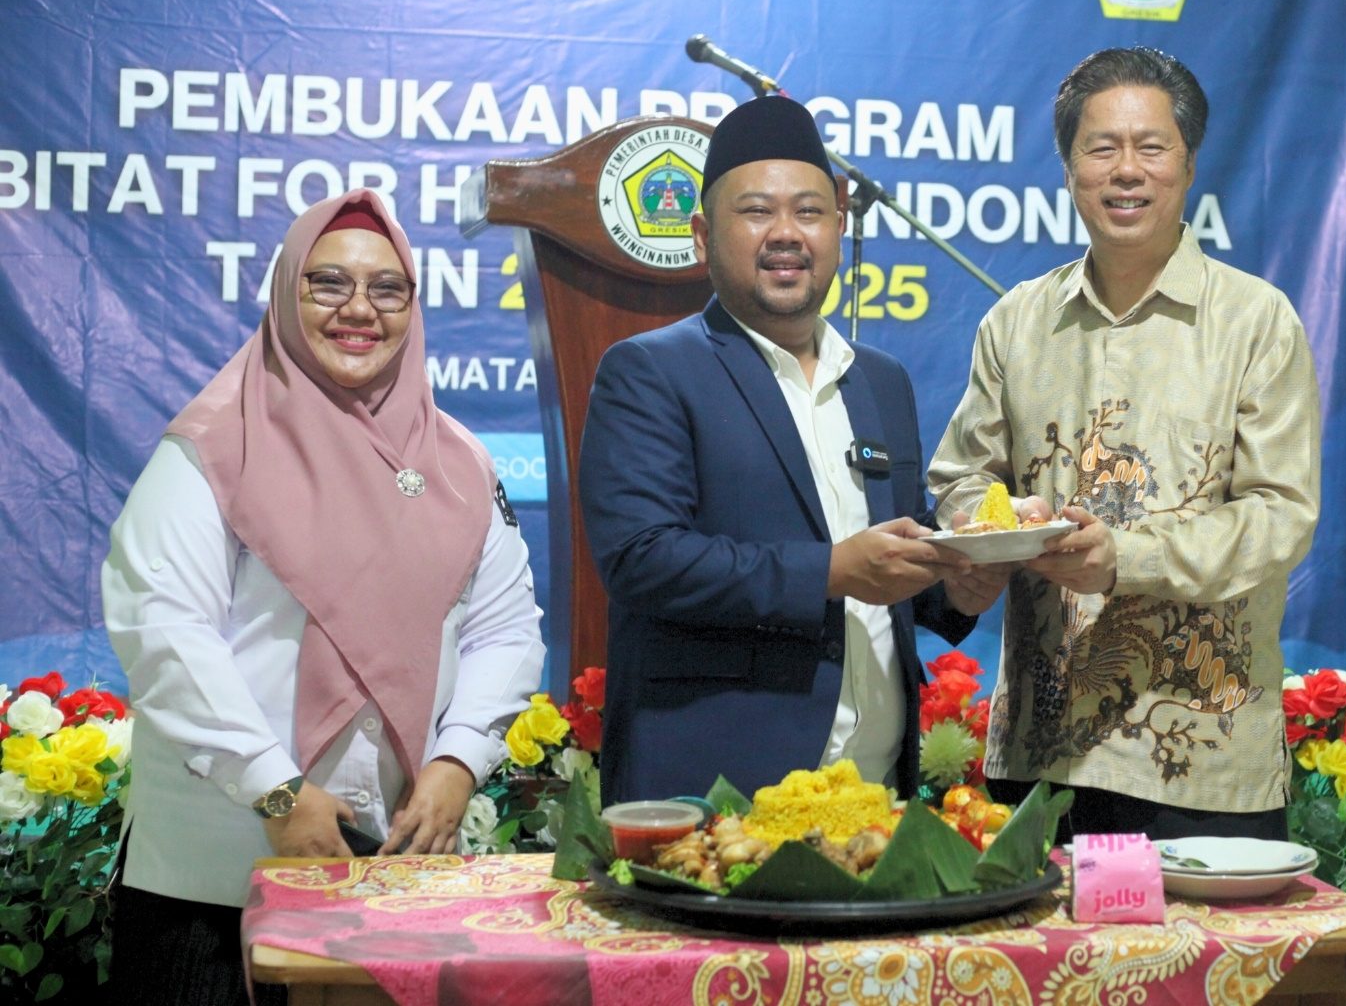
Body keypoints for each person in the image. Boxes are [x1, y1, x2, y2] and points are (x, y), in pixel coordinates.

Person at [101, 189, 547, 1004]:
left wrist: (458, 764)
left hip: (394, 874)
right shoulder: (209, 448)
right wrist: (272, 787)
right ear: (284, 293)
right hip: (216, 875)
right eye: (327, 283)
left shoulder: (461, 462)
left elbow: (505, 629)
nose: (359, 310)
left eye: (388, 289)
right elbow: (165, 633)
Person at [926, 47, 1321, 840]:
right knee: (1040, 967)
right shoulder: (1017, 321)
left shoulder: (1256, 320)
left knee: (1205, 967)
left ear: (1189, 163)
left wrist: (1125, 557)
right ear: (1070, 168)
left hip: (1204, 762)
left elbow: (1281, 516)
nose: (1126, 171)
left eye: (1151, 147)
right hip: (1043, 760)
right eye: (1101, 148)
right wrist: (1000, 521)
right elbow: (961, 478)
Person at [577, 95, 998, 804]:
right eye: (755, 212)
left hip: (874, 798)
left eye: (808, 212)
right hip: (719, 792)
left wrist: (961, 582)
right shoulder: (651, 370)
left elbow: (894, 567)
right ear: (702, 233)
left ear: (839, 227)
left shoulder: (881, 381)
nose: (785, 234)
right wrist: (832, 570)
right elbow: (643, 559)